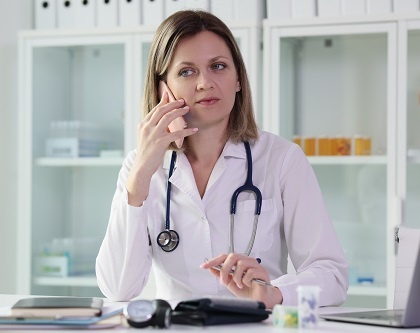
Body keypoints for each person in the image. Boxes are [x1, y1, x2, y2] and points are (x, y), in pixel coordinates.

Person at [96, 10, 348, 309]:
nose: (205, 82)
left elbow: (332, 277)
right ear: (163, 89)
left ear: (238, 79)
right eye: (186, 71)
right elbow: (117, 289)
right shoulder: (140, 169)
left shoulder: (282, 160)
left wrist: (274, 293)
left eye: (218, 66)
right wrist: (138, 182)